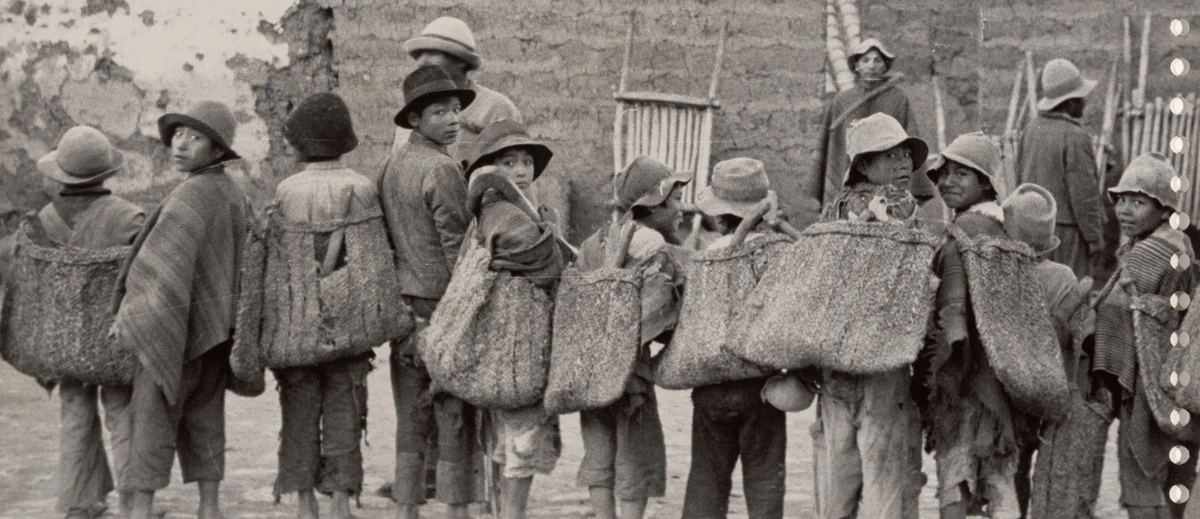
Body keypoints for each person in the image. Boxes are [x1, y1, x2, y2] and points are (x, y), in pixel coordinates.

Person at [111, 100, 249, 519]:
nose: (180, 144)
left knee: (151, 419)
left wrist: (130, 317)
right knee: (207, 417)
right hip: (213, 334)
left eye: (195, 137)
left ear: (218, 151)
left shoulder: (190, 196)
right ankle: (209, 507)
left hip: (168, 330)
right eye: (178, 135)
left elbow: (155, 272)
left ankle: (141, 509)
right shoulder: (232, 194)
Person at [19, 126, 146, 519]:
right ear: (106, 173)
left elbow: (31, 289)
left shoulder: (42, 220)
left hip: (64, 344)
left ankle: (77, 501)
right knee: (122, 414)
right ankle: (131, 501)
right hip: (113, 342)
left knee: (74, 415)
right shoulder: (130, 219)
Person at [269, 92, 381, 519]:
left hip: (297, 319)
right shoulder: (362, 188)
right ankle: (340, 501)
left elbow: (279, 262)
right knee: (345, 408)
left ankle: (303, 502)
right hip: (348, 320)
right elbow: (371, 262)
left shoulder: (285, 191)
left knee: (297, 407)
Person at [811, 112, 926, 519]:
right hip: (882, 360)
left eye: (905, 155)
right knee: (884, 482)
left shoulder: (832, 211)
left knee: (836, 479)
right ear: (863, 165)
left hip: (836, 360)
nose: (903, 165)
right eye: (889, 155)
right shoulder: (903, 206)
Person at [378, 64, 477, 519]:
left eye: (456, 109)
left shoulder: (391, 166)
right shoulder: (441, 169)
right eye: (440, 111)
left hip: (404, 309)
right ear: (414, 121)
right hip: (443, 308)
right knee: (453, 412)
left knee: (410, 415)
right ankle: (456, 509)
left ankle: (405, 509)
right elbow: (457, 248)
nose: (453, 119)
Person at [573, 156, 689, 519]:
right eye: (674, 202)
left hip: (591, 370)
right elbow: (661, 311)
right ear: (650, 206)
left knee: (599, 448)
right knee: (636, 450)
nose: (681, 210)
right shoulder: (654, 245)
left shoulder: (595, 241)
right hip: (631, 374)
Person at [465, 119, 570, 519]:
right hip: (515, 340)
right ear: (493, 170)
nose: (522, 170)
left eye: (527, 161)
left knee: (507, 433)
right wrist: (552, 237)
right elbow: (546, 261)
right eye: (509, 162)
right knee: (522, 437)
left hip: (513, 337)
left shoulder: (525, 211)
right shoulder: (503, 216)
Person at [917, 132, 1023, 519]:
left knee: (956, 480)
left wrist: (938, 381)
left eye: (963, 175)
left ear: (986, 184)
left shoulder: (960, 238)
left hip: (963, 381)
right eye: (944, 174)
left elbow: (953, 321)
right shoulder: (1005, 235)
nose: (947, 182)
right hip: (999, 382)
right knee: (998, 479)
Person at [1091, 152, 1200, 519]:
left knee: (1139, 465)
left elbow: (1113, 312)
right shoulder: (1180, 244)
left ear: (1163, 210)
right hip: (1177, 375)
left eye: (1138, 202)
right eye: (1121, 200)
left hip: (1146, 384)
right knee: (1177, 469)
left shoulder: (1151, 253)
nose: (1124, 210)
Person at [680, 158, 789, 519]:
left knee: (706, 476)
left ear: (717, 217)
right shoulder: (778, 253)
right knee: (763, 476)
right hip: (761, 385)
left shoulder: (709, 256)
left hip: (711, 383)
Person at [1000, 184, 1099, 518]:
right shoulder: (1063, 277)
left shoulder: (999, 274)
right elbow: (1081, 338)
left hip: (1007, 385)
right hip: (1047, 386)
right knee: (1034, 463)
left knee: (1010, 468)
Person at [806, 38, 924, 221]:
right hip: (849, 184)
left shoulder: (898, 99)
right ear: (856, 65)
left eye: (878, 60)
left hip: (888, 185)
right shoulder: (842, 101)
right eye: (865, 60)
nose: (871, 66)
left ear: (885, 66)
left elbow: (909, 141)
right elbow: (833, 148)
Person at [1016, 58, 1106, 279]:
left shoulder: (1030, 130)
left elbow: (1020, 181)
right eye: (1080, 97)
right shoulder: (1075, 136)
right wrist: (1094, 239)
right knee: (1069, 296)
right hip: (1067, 236)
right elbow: (1084, 195)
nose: (1084, 102)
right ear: (1070, 103)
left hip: (1033, 232)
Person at [393, 16, 523, 168]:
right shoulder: (414, 111)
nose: (422, 61)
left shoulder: (495, 109)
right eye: (420, 54)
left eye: (433, 53)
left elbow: (517, 176)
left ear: (461, 60)